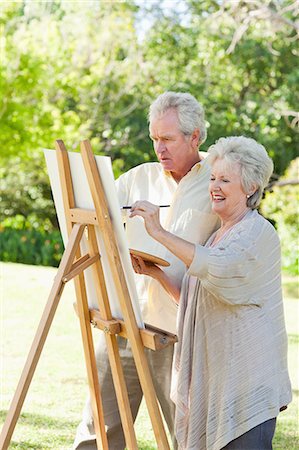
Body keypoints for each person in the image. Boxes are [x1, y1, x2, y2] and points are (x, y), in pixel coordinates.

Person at [72, 92, 220, 449]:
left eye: (167, 139)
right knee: (100, 431)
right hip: (126, 320)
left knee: (185, 435)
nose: (159, 148)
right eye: (155, 138)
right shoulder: (137, 177)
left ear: (195, 136)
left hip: (180, 332)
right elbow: (91, 222)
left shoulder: (218, 182)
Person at [129, 136, 292, 450]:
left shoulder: (258, 232)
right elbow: (195, 305)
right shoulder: (218, 235)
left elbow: (219, 268)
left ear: (251, 187)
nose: (215, 186)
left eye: (226, 180)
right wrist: (156, 273)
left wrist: (159, 233)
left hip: (246, 388)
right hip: (219, 384)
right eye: (213, 178)